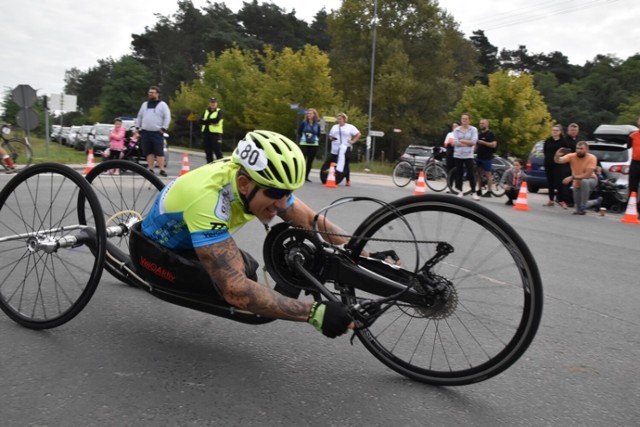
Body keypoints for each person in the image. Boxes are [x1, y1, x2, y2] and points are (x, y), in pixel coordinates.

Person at [139, 130, 354, 338]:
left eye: (288, 193)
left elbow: (309, 221)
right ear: (243, 184)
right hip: (158, 253)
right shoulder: (207, 200)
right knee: (235, 285)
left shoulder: (258, 180)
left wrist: (362, 252)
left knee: (247, 268)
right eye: (277, 193)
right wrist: (315, 312)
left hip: (190, 234)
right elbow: (237, 291)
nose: (281, 203)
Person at [554, 141, 603, 215]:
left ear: (587, 149)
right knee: (577, 208)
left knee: (584, 181)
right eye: (577, 148)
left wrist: (571, 177)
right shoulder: (572, 156)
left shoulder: (592, 158)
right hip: (576, 182)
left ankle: (583, 207)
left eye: (581, 148)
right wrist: (557, 155)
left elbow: (587, 175)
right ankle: (596, 201)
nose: (578, 150)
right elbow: (558, 161)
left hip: (591, 180)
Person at [136, 86, 171, 177]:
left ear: (157, 94)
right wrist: (137, 128)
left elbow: (167, 117)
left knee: (159, 152)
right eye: (149, 92)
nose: (150, 94)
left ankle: (161, 169)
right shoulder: (144, 104)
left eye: (152, 92)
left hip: (157, 132)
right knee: (148, 152)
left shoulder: (162, 105)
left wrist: (164, 128)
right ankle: (150, 169)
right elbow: (140, 116)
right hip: (145, 132)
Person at [328, 112, 360, 186]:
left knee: (345, 164)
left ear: (344, 119)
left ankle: (347, 180)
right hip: (335, 148)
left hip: (345, 148)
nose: (339, 120)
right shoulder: (334, 127)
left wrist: (353, 141)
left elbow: (358, 134)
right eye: (338, 119)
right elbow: (330, 136)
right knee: (334, 164)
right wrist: (332, 138)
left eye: (340, 119)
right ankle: (334, 178)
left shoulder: (350, 127)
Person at [542, 124, 569, 208]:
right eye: (553, 130)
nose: (555, 132)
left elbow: (566, 153)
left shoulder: (563, 142)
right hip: (548, 164)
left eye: (557, 130)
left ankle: (561, 200)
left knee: (559, 183)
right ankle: (551, 199)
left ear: (560, 132)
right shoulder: (548, 141)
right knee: (550, 183)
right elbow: (545, 151)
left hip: (559, 165)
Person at [453, 112, 478, 200]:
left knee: (470, 173)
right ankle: (460, 191)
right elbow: (455, 142)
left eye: (466, 119)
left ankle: (474, 192)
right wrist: (467, 142)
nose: (464, 121)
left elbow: (474, 141)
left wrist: (462, 141)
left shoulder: (473, 129)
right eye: (463, 119)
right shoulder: (457, 130)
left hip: (468, 155)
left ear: (469, 120)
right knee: (459, 172)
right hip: (458, 154)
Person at [298, 108, 321, 183]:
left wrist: (314, 139)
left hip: (314, 144)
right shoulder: (304, 123)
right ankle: (300, 176)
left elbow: (318, 134)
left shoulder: (317, 124)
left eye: (310, 113)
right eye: (308, 113)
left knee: (310, 161)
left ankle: (306, 176)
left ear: (314, 114)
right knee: (302, 160)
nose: (309, 115)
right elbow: (299, 132)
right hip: (304, 143)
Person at [475, 118, 497, 198]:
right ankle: (479, 189)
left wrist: (484, 143)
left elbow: (494, 144)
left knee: (488, 174)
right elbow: (476, 145)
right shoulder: (479, 134)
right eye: (480, 123)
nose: (481, 125)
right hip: (479, 156)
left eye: (483, 123)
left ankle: (489, 191)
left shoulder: (491, 134)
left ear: (487, 124)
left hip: (487, 157)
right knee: (478, 173)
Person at [200, 97, 224, 163]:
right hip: (206, 134)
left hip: (215, 134)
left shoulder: (219, 111)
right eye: (211, 102)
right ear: (209, 103)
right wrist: (211, 122)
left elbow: (217, 120)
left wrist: (206, 121)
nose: (213, 104)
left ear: (217, 103)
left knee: (217, 152)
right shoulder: (206, 111)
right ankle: (209, 165)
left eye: (214, 102)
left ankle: (221, 166)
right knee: (208, 152)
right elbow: (200, 121)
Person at [628, 117, 640, 203]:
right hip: (635, 163)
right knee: (633, 186)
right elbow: (627, 146)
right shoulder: (633, 135)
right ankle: (632, 206)